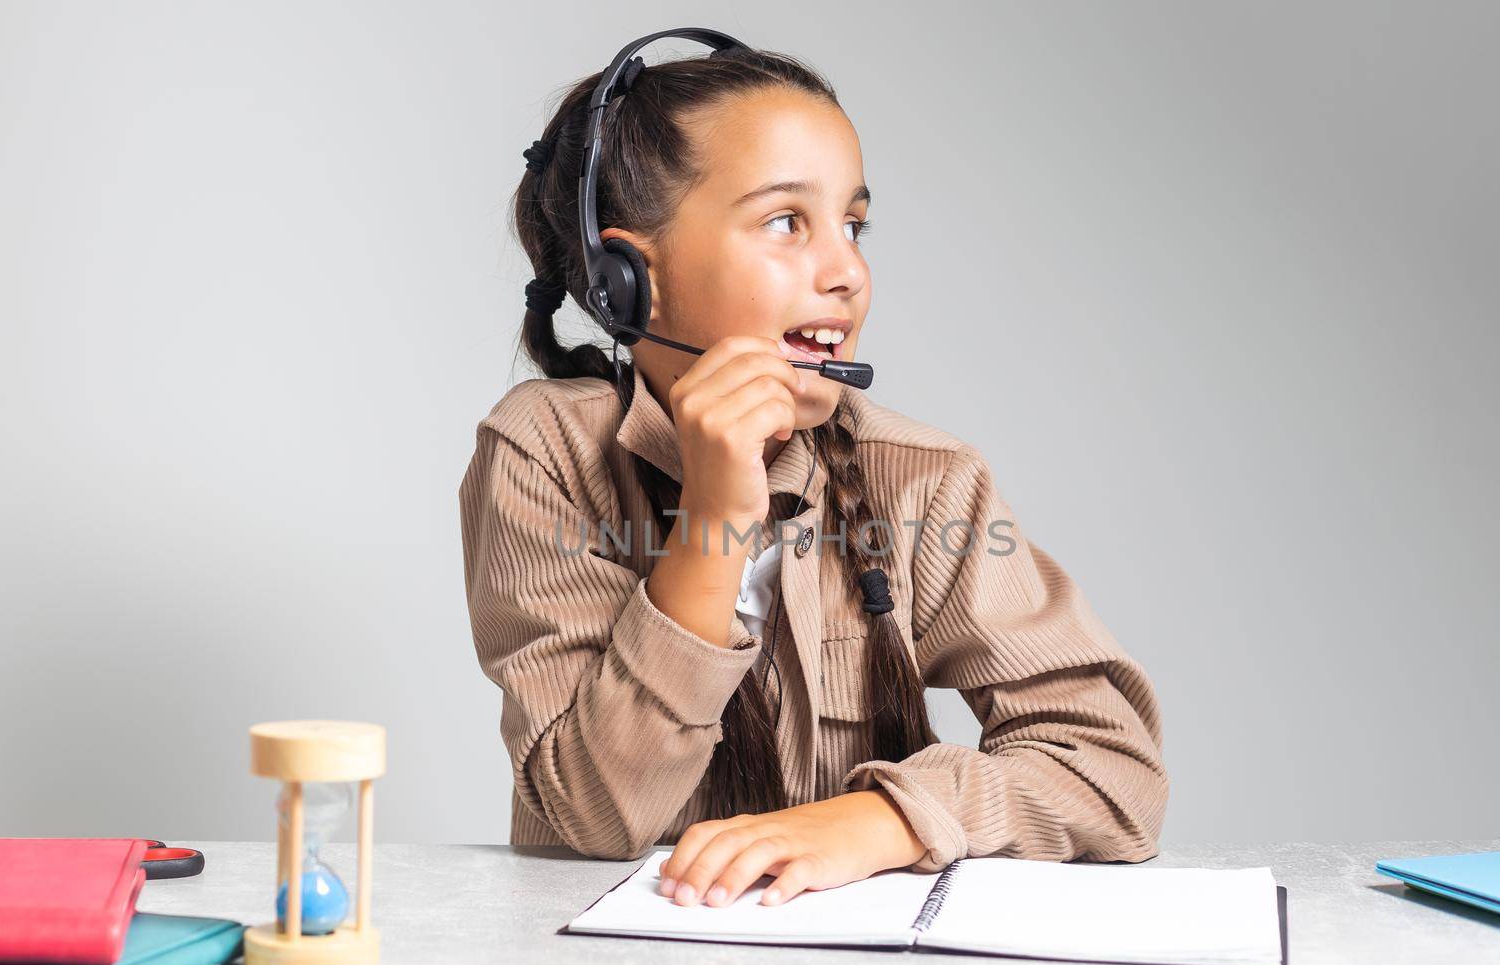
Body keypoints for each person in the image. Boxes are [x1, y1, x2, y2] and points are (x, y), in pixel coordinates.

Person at [458, 42, 1167, 909]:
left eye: (854, 226)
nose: (849, 274)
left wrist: (879, 822)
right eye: (787, 222)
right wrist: (715, 518)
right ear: (628, 283)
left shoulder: (925, 481)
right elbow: (595, 814)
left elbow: (1114, 768)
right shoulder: (545, 454)